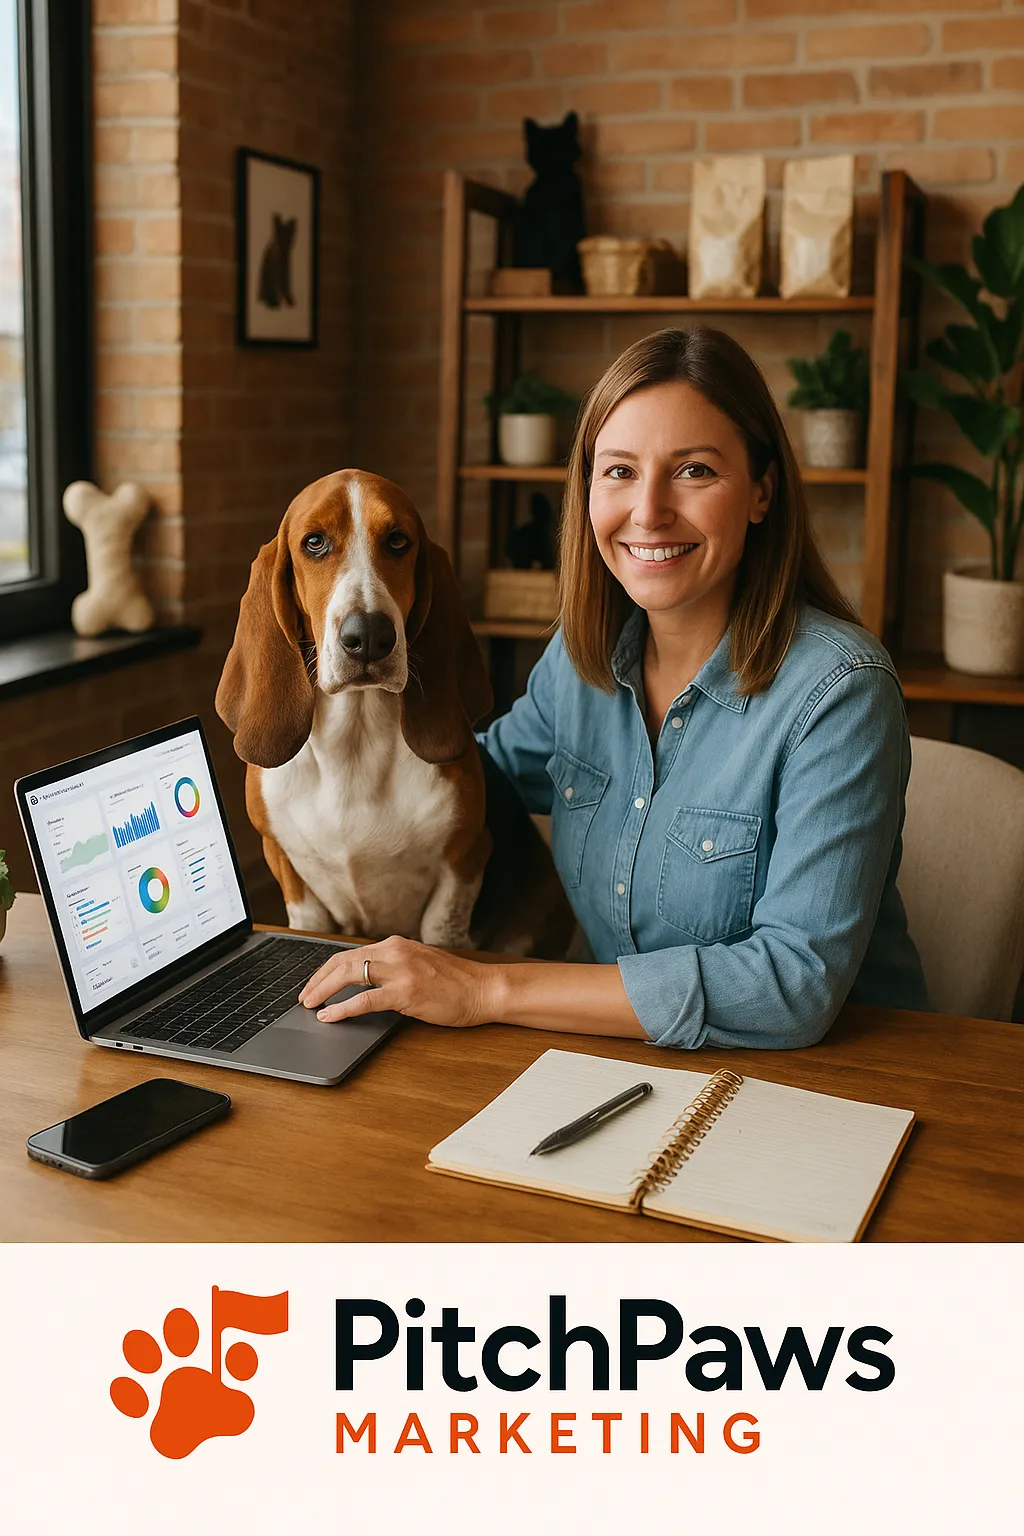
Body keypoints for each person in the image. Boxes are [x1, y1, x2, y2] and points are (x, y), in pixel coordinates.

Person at [300, 327, 928, 1049]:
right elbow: (474, 774)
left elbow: (793, 986)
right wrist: (319, 774)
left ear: (761, 491)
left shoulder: (840, 692)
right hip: (638, 1066)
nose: (649, 511)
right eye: (620, 471)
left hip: (857, 1082)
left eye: (693, 471)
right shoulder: (581, 661)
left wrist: (483, 985)